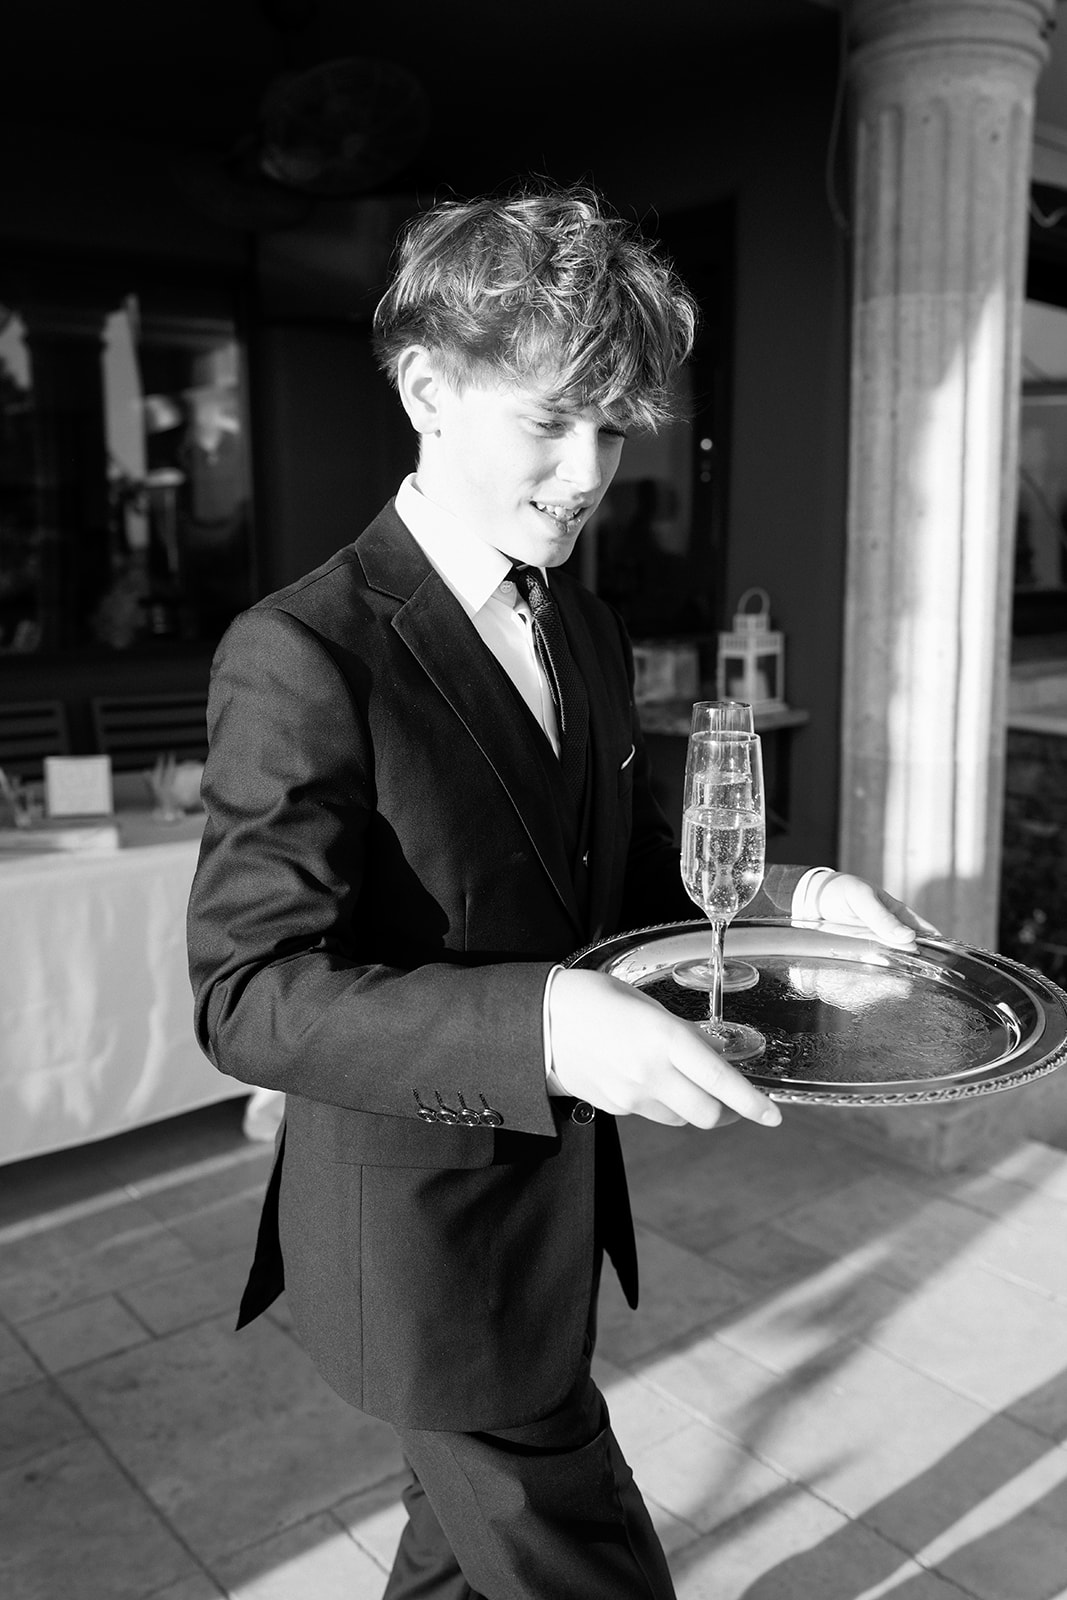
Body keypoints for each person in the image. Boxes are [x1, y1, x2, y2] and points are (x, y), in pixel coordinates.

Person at [186, 185, 933, 1599]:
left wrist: (792, 902)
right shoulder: (301, 652)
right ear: (426, 389)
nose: (591, 471)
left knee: (454, 1565)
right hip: (422, 1257)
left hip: (547, 1228)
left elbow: (635, 883)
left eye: (615, 426)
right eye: (551, 421)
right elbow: (248, 993)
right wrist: (551, 1030)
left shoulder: (579, 620)